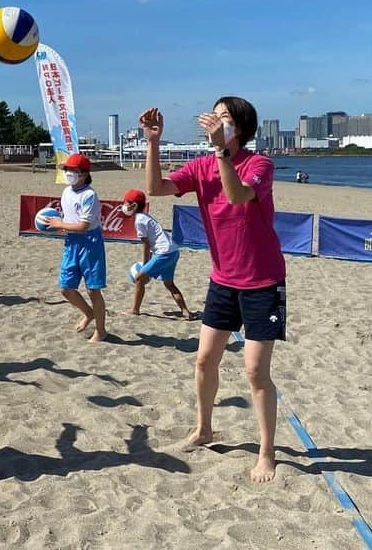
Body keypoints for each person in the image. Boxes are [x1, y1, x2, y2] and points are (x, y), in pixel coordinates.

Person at [140, 99, 286, 484]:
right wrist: (153, 142)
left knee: (255, 371)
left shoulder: (259, 165)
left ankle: (267, 451)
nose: (217, 121)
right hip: (223, 279)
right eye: (215, 115)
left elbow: (238, 195)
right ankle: (204, 427)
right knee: (204, 360)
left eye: (225, 118)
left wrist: (221, 149)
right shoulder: (202, 165)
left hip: (263, 280)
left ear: (240, 127)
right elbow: (155, 188)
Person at [44, 153, 108, 342]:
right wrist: (60, 225)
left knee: (93, 290)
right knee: (66, 288)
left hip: (90, 243)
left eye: (72, 170)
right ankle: (88, 313)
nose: (68, 173)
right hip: (71, 242)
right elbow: (69, 220)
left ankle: (101, 330)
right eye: (67, 170)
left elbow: (83, 226)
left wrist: (59, 224)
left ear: (84, 173)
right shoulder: (66, 192)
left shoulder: (89, 195)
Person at [121, 189, 192, 320]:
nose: (124, 205)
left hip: (164, 253)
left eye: (127, 202)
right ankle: (186, 312)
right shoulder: (145, 216)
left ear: (134, 205)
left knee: (139, 278)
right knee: (169, 284)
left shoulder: (139, 220)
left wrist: (145, 265)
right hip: (173, 251)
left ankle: (134, 310)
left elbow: (146, 245)